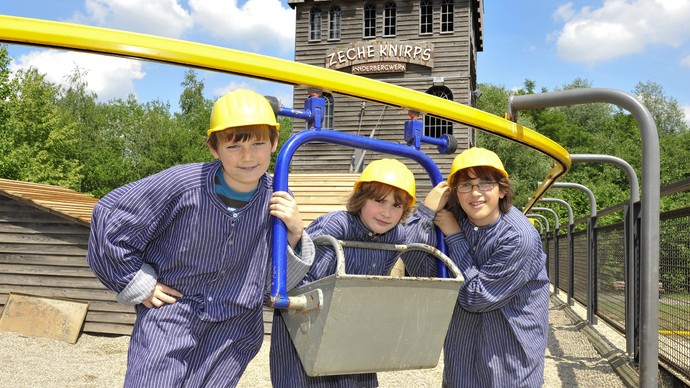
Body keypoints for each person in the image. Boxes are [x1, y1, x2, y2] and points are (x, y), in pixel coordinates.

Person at [86, 89, 315, 387]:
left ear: (274, 143)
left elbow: (275, 278)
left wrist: (296, 232)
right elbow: (110, 217)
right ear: (214, 148)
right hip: (172, 313)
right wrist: (137, 283)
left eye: (258, 143)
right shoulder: (182, 184)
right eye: (234, 146)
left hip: (235, 325)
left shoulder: (278, 195)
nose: (248, 156)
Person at [403, 147, 549, 387]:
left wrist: (455, 237)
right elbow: (418, 263)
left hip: (507, 361)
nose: (475, 193)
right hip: (463, 358)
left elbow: (476, 297)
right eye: (466, 185)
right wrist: (427, 210)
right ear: (455, 192)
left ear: (502, 190)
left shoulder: (517, 237)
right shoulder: (454, 218)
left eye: (485, 183)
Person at [269, 158, 416, 388]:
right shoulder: (336, 226)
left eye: (396, 206)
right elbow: (308, 286)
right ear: (361, 198)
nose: (387, 213)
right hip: (308, 329)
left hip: (353, 333)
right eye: (379, 201)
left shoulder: (395, 236)